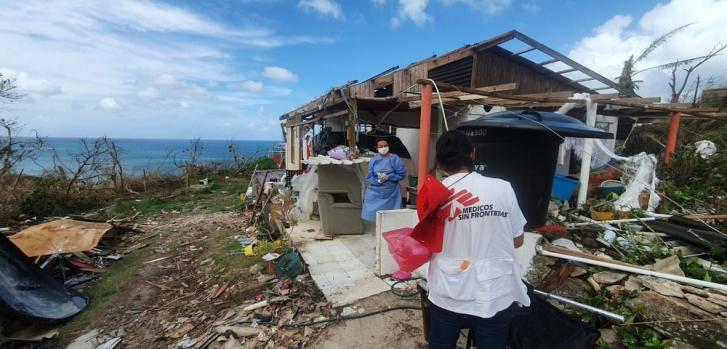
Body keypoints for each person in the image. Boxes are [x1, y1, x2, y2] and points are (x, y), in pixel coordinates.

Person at [426, 130, 530, 349]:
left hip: (448, 292)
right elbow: (518, 240)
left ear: (440, 162)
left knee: (441, 345)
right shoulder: (503, 188)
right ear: (473, 154)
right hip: (494, 291)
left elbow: (426, 245)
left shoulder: (433, 195)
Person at [361, 138, 407, 222]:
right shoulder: (374, 160)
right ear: (376, 148)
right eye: (381, 146)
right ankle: (377, 226)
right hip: (376, 189)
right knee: (369, 199)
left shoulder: (394, 158)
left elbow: (402, 174)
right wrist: (378, 181)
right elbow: (370, 176)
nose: (383, 148)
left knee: (391, 216)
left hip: (391, 191)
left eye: (385, 146)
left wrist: (389, 177)